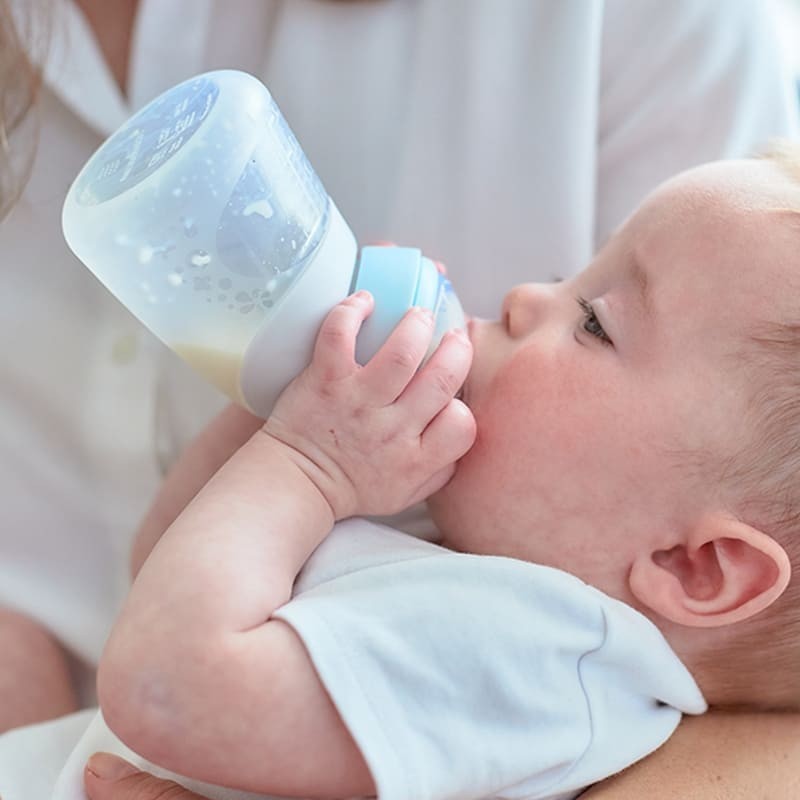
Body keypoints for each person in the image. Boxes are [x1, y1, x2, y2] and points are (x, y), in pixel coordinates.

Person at [0, 0, 799, 798]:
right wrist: (288, 403)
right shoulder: (462, 556)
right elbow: (167, 569)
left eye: (593, 322)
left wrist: (308, 465)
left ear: (695, 566)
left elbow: (162, 688)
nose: (525, 296)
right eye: (570, 279)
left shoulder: (538, 655)